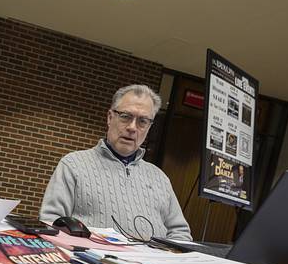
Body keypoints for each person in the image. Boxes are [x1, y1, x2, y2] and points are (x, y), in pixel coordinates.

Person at [40, 84, 192, 241]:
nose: (132, 127)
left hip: (153, 257)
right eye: (125, 116)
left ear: (149, 127)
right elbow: (50, 223)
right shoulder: (73, 165)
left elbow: (181, 234)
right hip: (90, 255)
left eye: (142, 121)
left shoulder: (160, 178)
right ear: (110, 117)